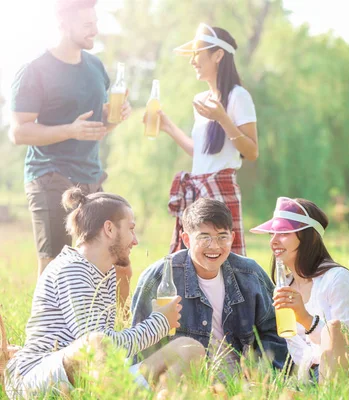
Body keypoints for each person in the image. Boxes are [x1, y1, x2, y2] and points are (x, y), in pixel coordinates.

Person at [3, 188, 205, 399]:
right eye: (131, 229)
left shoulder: (106, 272)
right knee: (96, 342)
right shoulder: (71, 269)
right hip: (38, 377)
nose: (135, 240)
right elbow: (96, 348)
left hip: (97, 379)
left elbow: (108, 356)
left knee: (190, 348)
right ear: (109, 229)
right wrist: (160, 323)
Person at [7, 0, 132, 281]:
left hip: (91, 176)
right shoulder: (35, 70)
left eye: (96, 23)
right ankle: (44, 326)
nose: (95, 31)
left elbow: (97, 126)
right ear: (63, 24)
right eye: (88, 25)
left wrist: (116, 116)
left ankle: (102, 324)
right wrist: (69, 130)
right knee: (54, 262)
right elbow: (18, 132)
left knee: (110, 257)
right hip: (50, 176)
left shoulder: (96, 67)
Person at [131, 198, 287, 375]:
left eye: (222, 237)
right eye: (204, 237)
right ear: (186, 240)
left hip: (241, 386)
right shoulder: (159, 278)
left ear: (232, 238)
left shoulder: (250, 275)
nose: (214, 246)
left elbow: (274, 333)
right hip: (186, 384)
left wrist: (258, 376)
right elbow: (142, 348)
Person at [250, 197, 349, 382]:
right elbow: (297, 352)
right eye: (272, 234)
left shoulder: (336, 278)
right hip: (316, 374)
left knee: (333, 330)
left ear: (308, 237)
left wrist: (306, 319)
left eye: (284, 232)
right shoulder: (283, 286)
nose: (274, 241)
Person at [153, 22, 258, 256]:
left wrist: (222, 118)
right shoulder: (202, 99)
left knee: (225, 260)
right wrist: (168, 126)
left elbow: (251, 152)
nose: (192, 61)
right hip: (198, 190)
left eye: (197, 54)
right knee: (195, 258)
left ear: (218, 55)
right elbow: (201, 153)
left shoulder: (238, 97)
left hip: (222, 188)